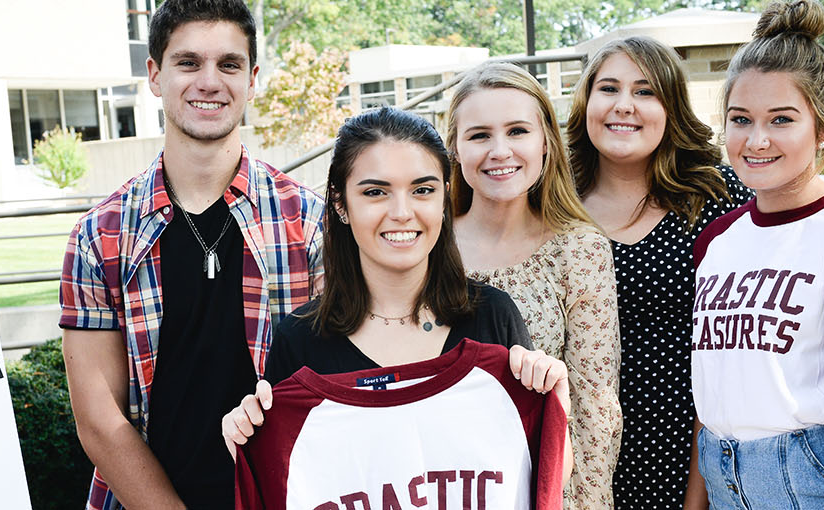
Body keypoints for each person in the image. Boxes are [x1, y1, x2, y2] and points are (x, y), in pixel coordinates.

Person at [58, 0, 324, 508]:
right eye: (188, 63)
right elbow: (99, 420)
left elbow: (334, 386)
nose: (209, 81)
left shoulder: (309, 224)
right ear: (155, 75)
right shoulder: (99, 236)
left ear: (252, 78)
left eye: (228, 64)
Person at [220, 106, 570, 471]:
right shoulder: (299, 339)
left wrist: (556, 401)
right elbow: (288, 482)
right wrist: (248, 445)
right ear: (341, 203)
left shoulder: (493, 315)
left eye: (422, 189)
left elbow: (543, 480)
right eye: (376, 192)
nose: (402, 212)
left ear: (444, 197)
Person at [686, 2, 824, 508]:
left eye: (781, 119)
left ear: (823, 127)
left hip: (812, 484)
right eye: (740, 119)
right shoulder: (717, 239)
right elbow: (713, 389)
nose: (756, 140)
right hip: (721, 478)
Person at [564, 35, 754, 509]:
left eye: (645, 92)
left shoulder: (719, 198)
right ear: (586, 101)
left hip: (699, 458)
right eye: (608, 89)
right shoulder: (551, 205)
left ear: (671, 107)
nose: (624, 105)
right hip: (582, 460)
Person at [445, 62, 621, 507]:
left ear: (545, 141)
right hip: (437, 481)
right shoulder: (427, 245)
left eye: (518, 131)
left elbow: (594, 408)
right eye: (480, 135)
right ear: (455, 149)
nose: (499, 150)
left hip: (542, 489)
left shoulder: (578, 250)